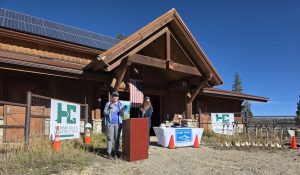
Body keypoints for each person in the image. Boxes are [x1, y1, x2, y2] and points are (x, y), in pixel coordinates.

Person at [103, 91, 125, 160]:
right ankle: (109, 153)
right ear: (112, 97)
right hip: (110, 123)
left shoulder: (120, 104)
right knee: (110, 138)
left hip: (118, 124)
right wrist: (110, 109)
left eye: (116, 96)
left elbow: (123, 114)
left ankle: (116, 153)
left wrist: (122, 112)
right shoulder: (108, 104)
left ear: (118, 97)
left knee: (117, 139)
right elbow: (104, 112)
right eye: (114, 96)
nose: (115, 97)